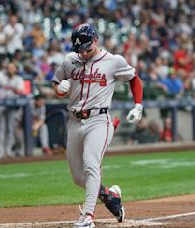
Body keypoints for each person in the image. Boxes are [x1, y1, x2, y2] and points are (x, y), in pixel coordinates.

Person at [52, 23, 143, 228]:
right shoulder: (69, 60)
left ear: (96, 41)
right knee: (77, 177)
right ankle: (110, 196)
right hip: (74, 120)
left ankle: (88, 216)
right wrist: (60, 88)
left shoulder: (113, 61)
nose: (83, 53)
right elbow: (56, 85)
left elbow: (134, 78)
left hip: (98, 120)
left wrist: (138, 105)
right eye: (80, 50)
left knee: (91, 165)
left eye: (87, 48)